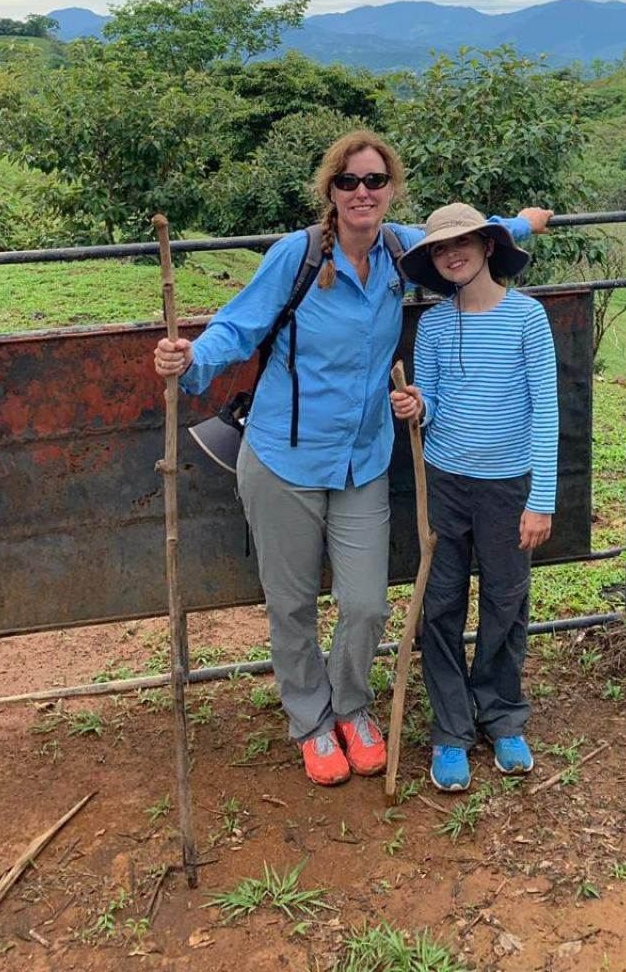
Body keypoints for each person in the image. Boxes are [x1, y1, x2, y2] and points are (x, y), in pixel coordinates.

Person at [153, 131, 551, 787]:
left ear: (391, 189)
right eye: (348, 181)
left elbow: (466, 238)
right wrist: (192, 356)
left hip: (362, 460)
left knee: (366, 604)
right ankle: (312, 721)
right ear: (330, 191)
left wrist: (524, 224)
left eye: (374, 180)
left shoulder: (399, 250)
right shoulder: (298, 255)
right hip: (283, 458)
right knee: (292, 606)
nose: (362, 192)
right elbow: (237, 326)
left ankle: (352, 707)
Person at [389, 202, 558, 792]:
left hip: (509, 487)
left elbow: (546, 411)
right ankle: (450, 728)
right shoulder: (435, 325)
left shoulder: (527, 318)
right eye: (439, 248)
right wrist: (417, 405)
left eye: (461, 243)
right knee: (441, 603)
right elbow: (432, 403)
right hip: (445, 482)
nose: (451, 254)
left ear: (489, 246)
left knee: (506, 599)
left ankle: (502, 714)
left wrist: (541, 499)